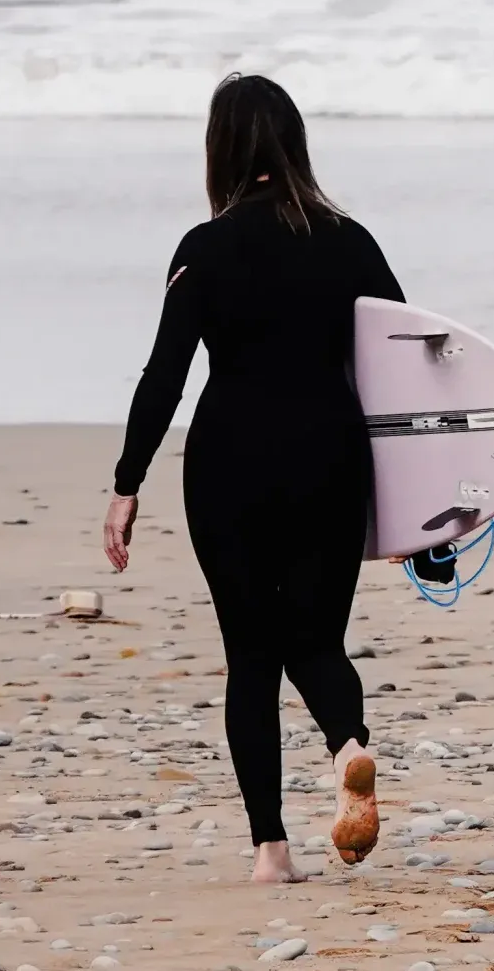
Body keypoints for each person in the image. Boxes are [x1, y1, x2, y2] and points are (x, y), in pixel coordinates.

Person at [104, 74, 404, 884]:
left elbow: (164, 374)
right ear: (295, 141)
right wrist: (422, 503)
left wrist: (128, 482)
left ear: (221, 149)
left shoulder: (205, 248)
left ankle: (270, 849)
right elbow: (402, 366)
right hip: (331, 457)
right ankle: (347, 745)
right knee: (316, 636)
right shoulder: (350, 239)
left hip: (231, 460)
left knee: (251, 654)